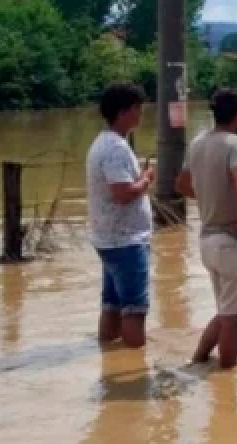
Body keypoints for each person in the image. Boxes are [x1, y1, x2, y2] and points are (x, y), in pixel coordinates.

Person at [175, 89, 237, 369]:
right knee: (232, 317)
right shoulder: (236, 144)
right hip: (232, 241)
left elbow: (181, 184)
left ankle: (198, 359)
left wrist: (209, 196)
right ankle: (227, 380)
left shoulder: (197, 143)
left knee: (225, 310)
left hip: (207, 240)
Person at [85, 83, 154, 348]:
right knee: (135, 310)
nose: (140, 114)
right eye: (138, 109)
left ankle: (110, 358)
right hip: (125, 240)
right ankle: (136, 370)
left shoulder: (104, 142)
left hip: (109, 238)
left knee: (112, 304)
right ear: (124, 111)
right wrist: (146, 179)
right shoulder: (116, 148)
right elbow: (123, 193)